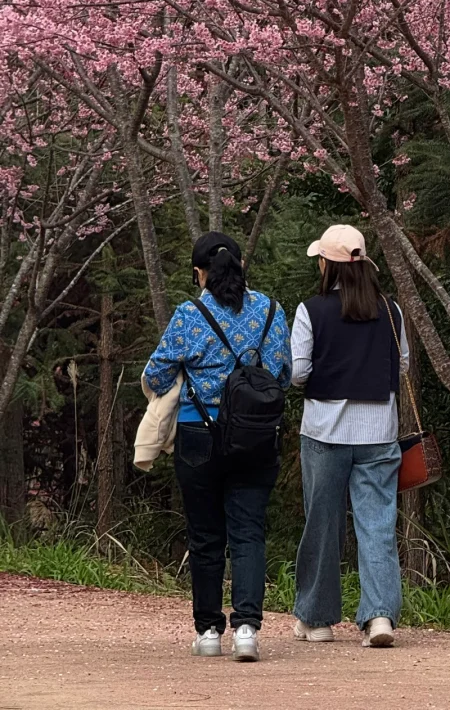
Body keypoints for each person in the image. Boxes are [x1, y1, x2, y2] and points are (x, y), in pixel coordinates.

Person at [143, 231, 291, 663]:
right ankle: (247, 629)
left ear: (198, 273)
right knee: (248, 532)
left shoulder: (191, 315)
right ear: (242, 267)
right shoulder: (270, 310)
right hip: (256, 437)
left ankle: (208, 632)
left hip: (199, 435)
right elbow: (283, 375)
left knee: (206, 535)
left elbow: (155, 375)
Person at [291, 224, 408, 648]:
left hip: (325, 431)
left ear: (327, 264)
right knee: (377, 525)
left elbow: (299, 372)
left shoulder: (311, 310)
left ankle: (318, 620)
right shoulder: (391, 311)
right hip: (380, 432)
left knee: (321, 526)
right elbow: (404, 365)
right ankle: (379, 618)